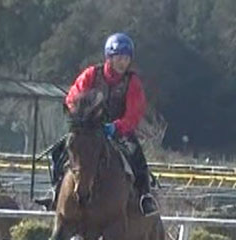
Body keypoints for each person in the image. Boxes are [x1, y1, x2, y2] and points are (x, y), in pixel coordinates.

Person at [40, 32, 158, 216]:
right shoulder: (91, 75)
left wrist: (116, 127)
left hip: (119, 131)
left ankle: (145, 197)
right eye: (119, 57)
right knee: (58, 152)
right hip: (89, 129)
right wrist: (82, 119)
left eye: (126, 58)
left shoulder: (132, 82)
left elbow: (134, 113)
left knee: (138, 157)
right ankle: (55, 191)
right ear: (109, 57)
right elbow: (73, 98)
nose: (123, 63)